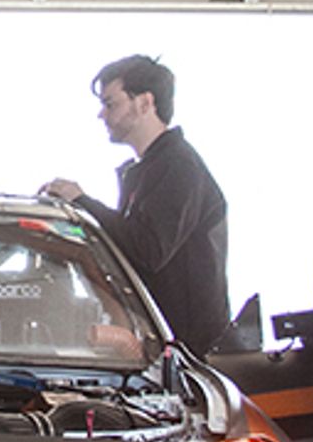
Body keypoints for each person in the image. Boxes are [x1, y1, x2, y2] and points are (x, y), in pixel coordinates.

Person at [41, 54, 232, 354]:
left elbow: (148, 249)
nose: (102, 115)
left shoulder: (179, 167)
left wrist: (83, 201)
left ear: (145, 103)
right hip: (151, 343)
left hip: (182, 353)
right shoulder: (148, 169)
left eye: (111, 104)